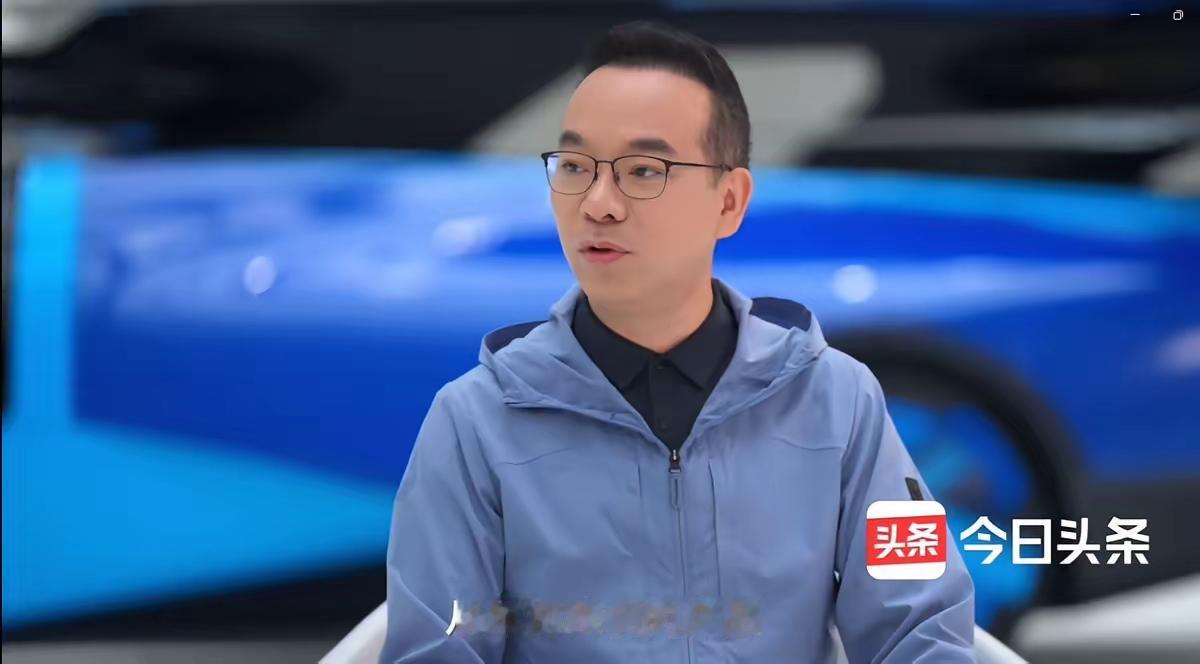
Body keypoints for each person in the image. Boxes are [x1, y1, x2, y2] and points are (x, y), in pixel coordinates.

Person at [379, 20, 975, 664]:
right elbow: (437, 650)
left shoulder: (837, 401)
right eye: (575, 166)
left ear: (729, 201)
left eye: (643, 170)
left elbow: (920, 623)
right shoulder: (475, 421)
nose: (598, 203)